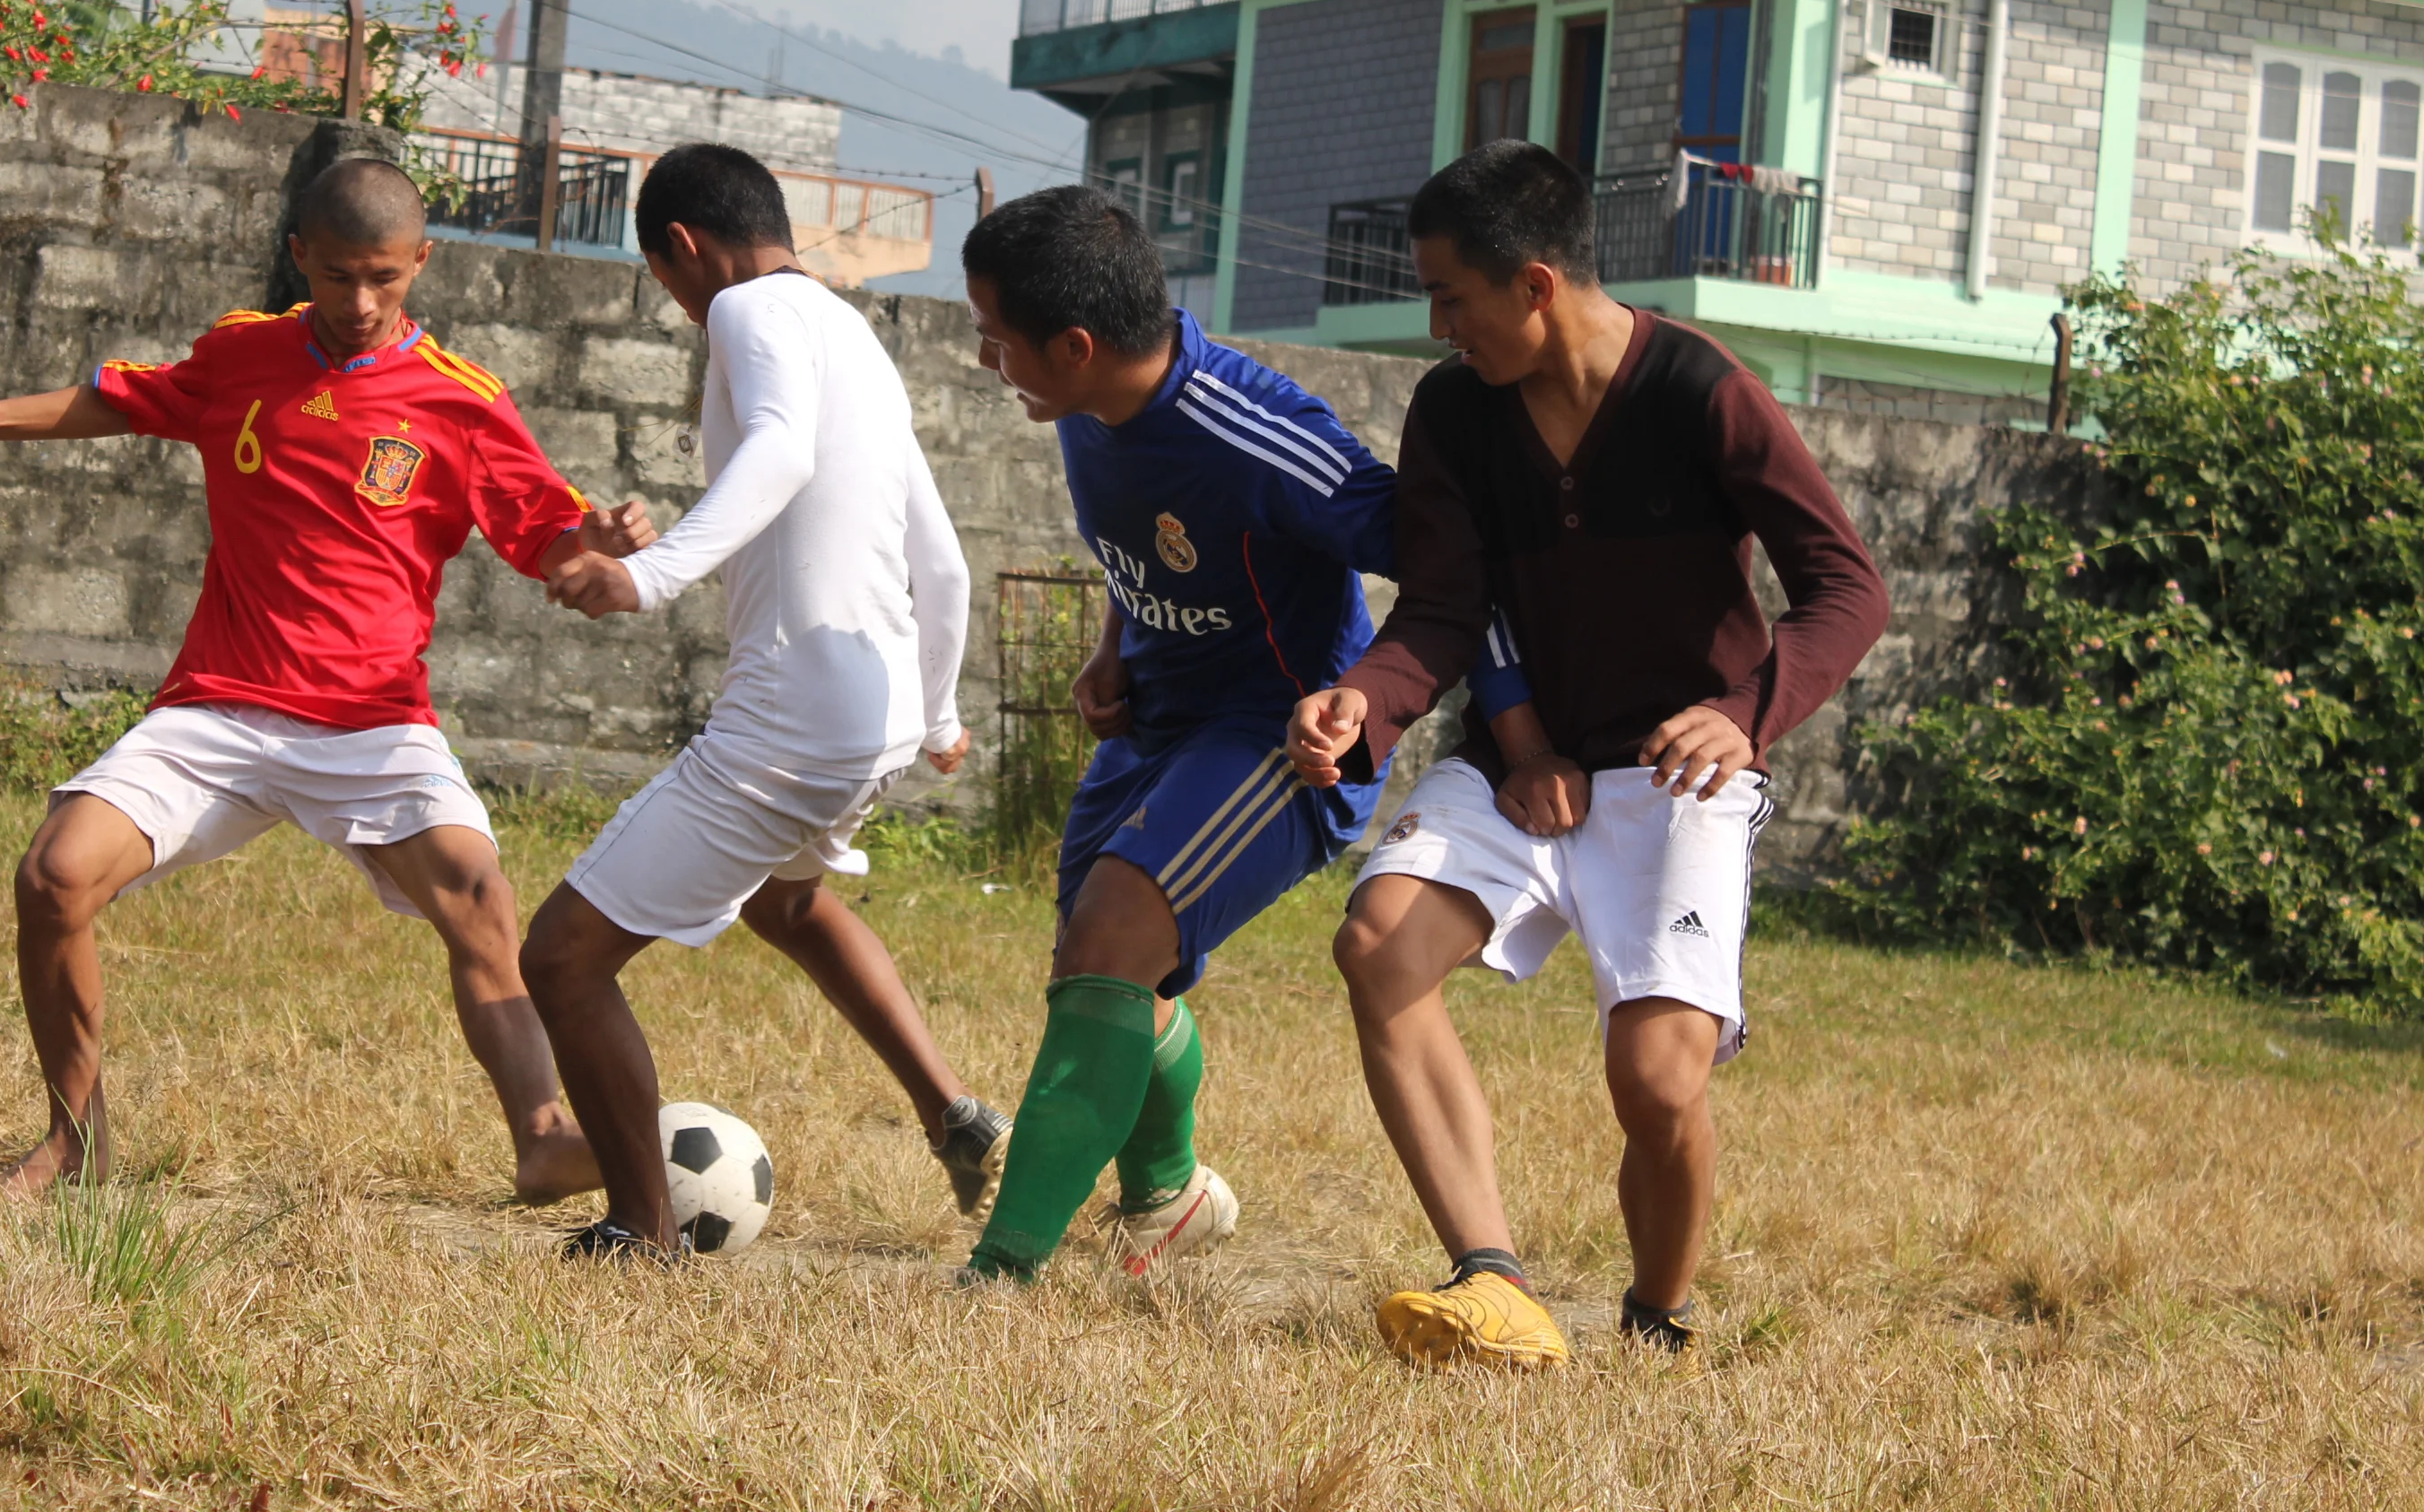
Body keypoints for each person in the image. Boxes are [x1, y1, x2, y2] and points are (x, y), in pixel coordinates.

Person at [0, 156, 652, 1201]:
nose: (363, 302)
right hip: (219, 709)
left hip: (372, 724)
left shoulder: (463, 403)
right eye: (338, 277)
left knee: (478, 892)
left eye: (385, 276)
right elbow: (132, 400)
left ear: (422, 262)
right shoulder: (243, 352)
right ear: (301, 260)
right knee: (53, 877)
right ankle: (76, 1138)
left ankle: (547, 1135)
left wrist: (596, 543)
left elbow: (549, 540)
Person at [1289, 141, 1890, 1369]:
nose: (1439, 325)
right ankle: (1494, 1278)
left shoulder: (1701, 390)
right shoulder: (1456, 411)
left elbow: (1847, 587)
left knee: (1658, 1085)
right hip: (1518, 770)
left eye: (1454, 297)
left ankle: (1656, 1313)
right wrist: (1367, 700)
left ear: (1538, 285)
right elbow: (1445, 610)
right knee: (1376, 947)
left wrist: (1748, 711)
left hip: (1685, 778)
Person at [951, 187, 1551, 1286]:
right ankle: (1169, 1200)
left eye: (996, 337)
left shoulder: (1262, 438)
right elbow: (1155, 551)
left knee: (1110, 948)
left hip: (1279, 745)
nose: (987, 357)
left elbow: (1451, 565)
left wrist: (1507, 725)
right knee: (1107, 975)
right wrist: (1112, 644)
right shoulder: (1084, 409)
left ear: (1075, 346)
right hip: (1160, 726)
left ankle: (1000, 1276)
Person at [526, 143, 1009, 1261]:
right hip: (877, 715)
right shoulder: (856, 338)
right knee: (787, 904)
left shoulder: (743, 314)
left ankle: (642, 1234)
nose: (681, 306)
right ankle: (956, 1113)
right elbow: (944, 565)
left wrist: (647, 575)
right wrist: (935, 713)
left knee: (560, 957)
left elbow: (783, 452)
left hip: (794, 724)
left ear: (684, 249)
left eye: (668, 282)